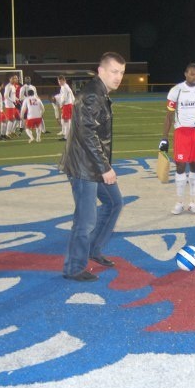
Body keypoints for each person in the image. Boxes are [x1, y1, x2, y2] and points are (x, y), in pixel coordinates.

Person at [59, 52, 126, 282]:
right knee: (86, 219)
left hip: (93, 164)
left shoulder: (100, 93)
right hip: (84, 167)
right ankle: (73, 268)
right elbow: (88, 135)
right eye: (114, 71)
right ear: (101, 71)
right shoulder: (91, 96)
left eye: (122, 72)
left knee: (114, 203)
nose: (118, 77)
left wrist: (103, 166)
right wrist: (105, 167)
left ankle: (93, 249)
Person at [159, 63, 195, 215]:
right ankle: (179, 202)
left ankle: (193, 202)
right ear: (185, 74)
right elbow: (169, 116)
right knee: (181, 166)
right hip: (181, 131)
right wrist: (164, 137)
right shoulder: (176, 90)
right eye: (192, 74)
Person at [52, 75, 75, 141]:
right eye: (59, 81)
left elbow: (64, 97)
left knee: (66, 121)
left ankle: (66, 136)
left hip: (67, 105)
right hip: (70, 104)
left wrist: (61, 104)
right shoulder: (66, 86)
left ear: (64, 80)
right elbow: (71, 95)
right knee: (68, 120)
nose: (60, 83)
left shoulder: (64, 87)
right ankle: (69, 134)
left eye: (61, 81)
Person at [3, 74, 22, 139]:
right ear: (10, 79)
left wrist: (17, 99)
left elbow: (13, 96)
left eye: (15, 78)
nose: (14, 79)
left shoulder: (13, 86)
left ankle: (12, 131)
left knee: (18, 118)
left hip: (13, 105)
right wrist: (13, 101)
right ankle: (7, 133)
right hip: (9, 105)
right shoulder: (8, 86)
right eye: (13, 78)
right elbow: (6, 96)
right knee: (11, 120)